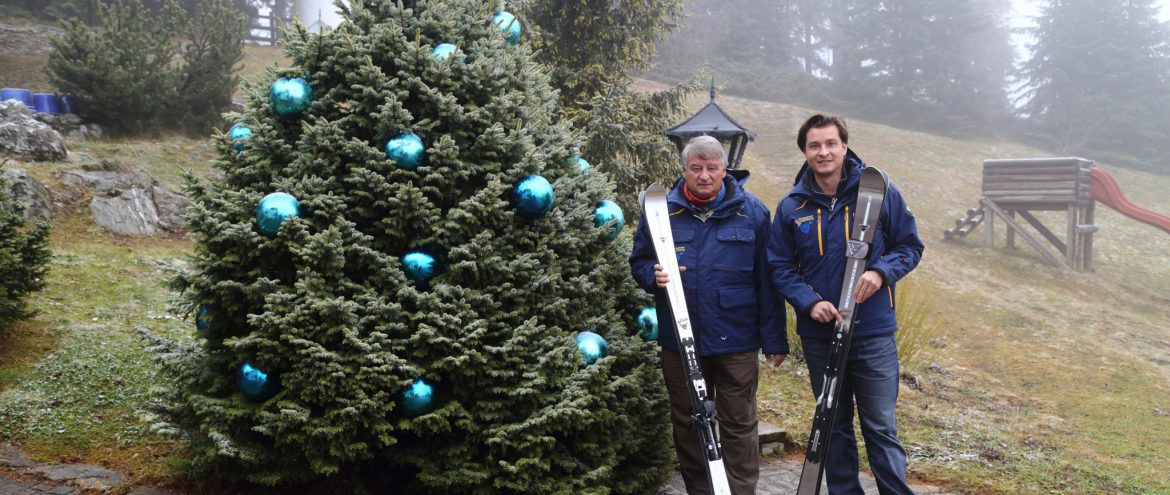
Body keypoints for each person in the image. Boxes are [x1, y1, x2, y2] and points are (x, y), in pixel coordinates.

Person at [767, 114, 924, 495]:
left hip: (872, 333)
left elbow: (910, 246)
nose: (823, 152)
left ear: (844, 145)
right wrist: (808, 303)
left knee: (880, 427)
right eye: (814, 146)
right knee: (832, 426)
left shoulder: (880, 191)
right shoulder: (792, 207)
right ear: (805, 152)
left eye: (830, 143)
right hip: (821, 335)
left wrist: (881, 272)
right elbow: (779, 265)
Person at [629, 135, 787, 495]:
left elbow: (768, 280)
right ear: (684, 169)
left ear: (724, 169)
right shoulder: (661, 211)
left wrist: (774, 339)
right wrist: (650, 274)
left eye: (712, 168)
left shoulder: (753, 212)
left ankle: (739, 491)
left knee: (739, 423)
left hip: (737, 341)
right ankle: (702, 491)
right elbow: (639, 260)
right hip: (680, 341)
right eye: (696, 168)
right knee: (688, 423)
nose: (704, 175)